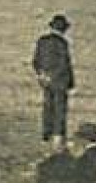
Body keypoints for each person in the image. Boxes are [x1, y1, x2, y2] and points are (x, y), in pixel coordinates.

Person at [32, 13, 76, 151]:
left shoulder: (42, 41)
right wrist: (68, 81)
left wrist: (42, 75)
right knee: (59, 109)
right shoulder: (62, 43)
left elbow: (36, 61)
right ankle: (58, 136)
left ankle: (46, 133)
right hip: (59, 81)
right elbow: (64, 64)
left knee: (48, 106)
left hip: (45, 80)